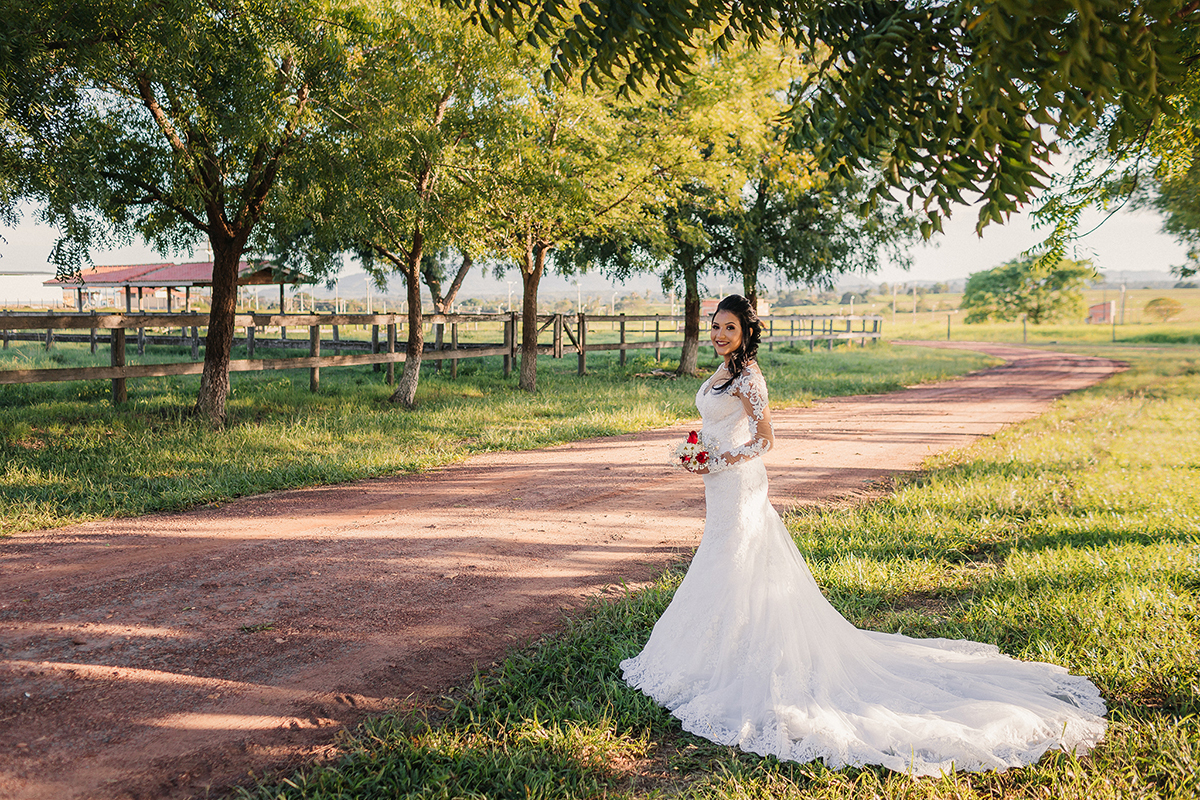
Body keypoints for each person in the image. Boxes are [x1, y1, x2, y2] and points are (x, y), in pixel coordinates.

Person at [620, 294, 1107, 776]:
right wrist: (697, 452)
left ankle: (745, 658)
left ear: (747, 333)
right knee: (724, 559)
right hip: (719, 484)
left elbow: (766, 439)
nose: (720, 334)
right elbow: (716, 424)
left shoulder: (749, 377)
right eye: (715, 326)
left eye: (729, 328)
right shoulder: (721, 373)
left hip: (740, 481)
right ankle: (713, 650)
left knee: (735, 558)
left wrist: (721, 459)